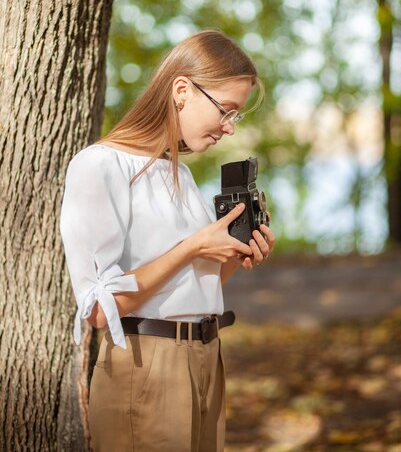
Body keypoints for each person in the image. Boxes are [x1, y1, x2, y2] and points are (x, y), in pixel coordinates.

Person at [60, 29, 276, 452]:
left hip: (205, 358)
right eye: (226, 111)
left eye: (237, 116)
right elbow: (101, 312)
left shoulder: (181, 174)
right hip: (146, 366)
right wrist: (193, 247)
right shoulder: (99, 166)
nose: (229, 128)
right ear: (182, 90)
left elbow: (190, 289)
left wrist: (235, 253)